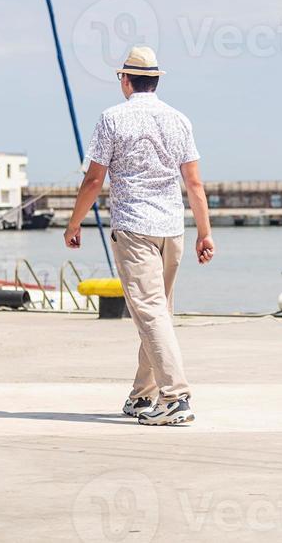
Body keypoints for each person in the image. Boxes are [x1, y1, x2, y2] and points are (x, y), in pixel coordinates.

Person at [64, 46, 214, 426]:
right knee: (158, 312)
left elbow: (94, 179)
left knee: (149, 312)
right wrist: (205, 233)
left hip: (134, 227)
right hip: (173, 229)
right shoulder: (179, 120)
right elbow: (193, 183)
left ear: (125, 80)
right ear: (156, 80)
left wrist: (74, 223)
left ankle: (175, 396)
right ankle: (142, 396)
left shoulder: (112, 119)